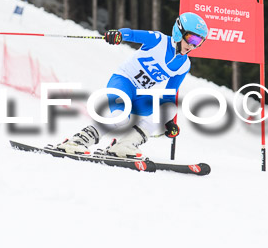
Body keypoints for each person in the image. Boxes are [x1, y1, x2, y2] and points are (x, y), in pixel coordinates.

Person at [55, 12, 209, 158]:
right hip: (123, 82)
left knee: (170, 108)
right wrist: (119, 35)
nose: (193, 45)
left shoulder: (184, 65)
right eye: (192, 39)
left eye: (199, 42)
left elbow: (170, 94)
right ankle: (77, 141)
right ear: (179, 31)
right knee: (121, 118)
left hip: (139, 95)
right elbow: (132, 34)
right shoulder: (158, 40)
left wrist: (168, 122)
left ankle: (125, 145)